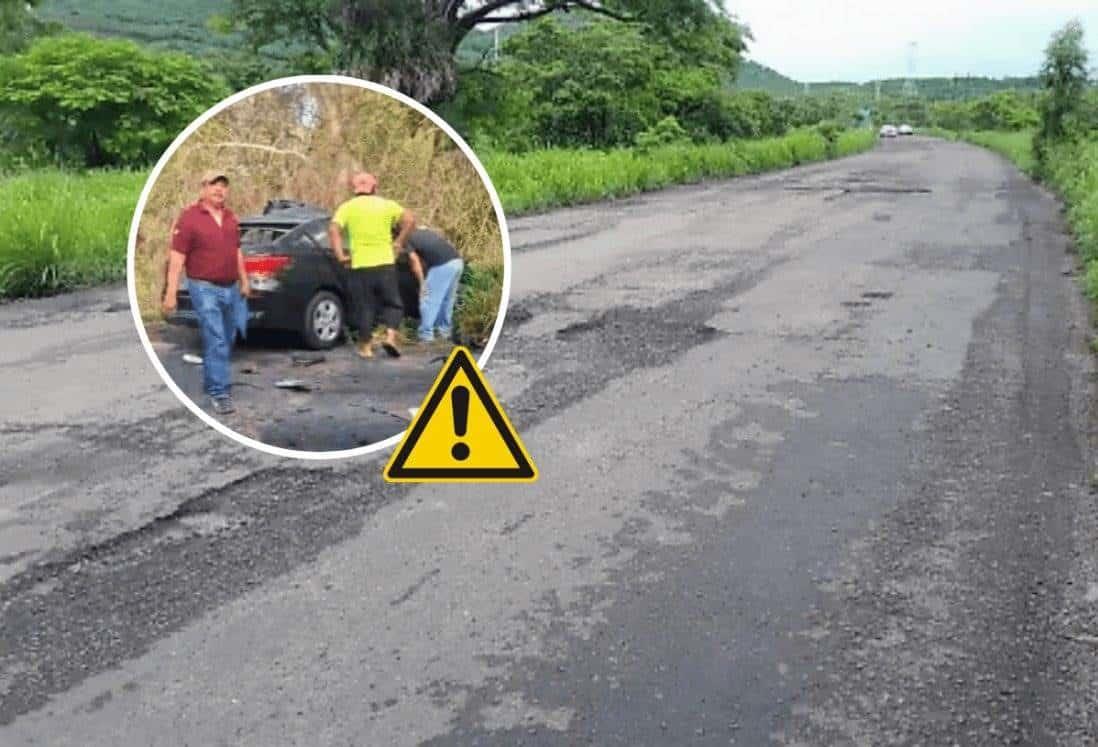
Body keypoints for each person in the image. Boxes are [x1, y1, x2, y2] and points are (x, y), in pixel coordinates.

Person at [161, 171, 250, 416]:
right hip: (204, 287)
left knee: (228, 338)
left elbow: (237, 252)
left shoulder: (232, 218)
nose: (219, 190)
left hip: (230, 287)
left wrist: (244, 280)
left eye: (223, 186)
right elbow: (177, 257)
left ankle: (216, 377)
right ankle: (218, 392)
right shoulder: (189, 218)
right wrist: (171, 293)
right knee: (216, 338)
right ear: (203, 188)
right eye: (214, 185)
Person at [328, 172, 414, 359]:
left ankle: (366, 347)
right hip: (385, 263)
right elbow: (410, 220)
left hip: (360, 265)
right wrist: (399, 241)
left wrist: (340, 255)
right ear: (374, 187)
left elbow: (333, 229)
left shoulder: (347, 207)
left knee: (365, 306)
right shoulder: (386, 204)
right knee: (393, 304)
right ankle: (390, 336)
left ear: (355, 189)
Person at [403, 227, 464, 344]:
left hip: (442, 265)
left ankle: (426, 336)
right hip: (457, 262)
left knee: (428, 299)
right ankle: (444, 333)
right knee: (447, 300)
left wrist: (422, 284)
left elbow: (415, 262)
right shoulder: (424, 231)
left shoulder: (405, 239)